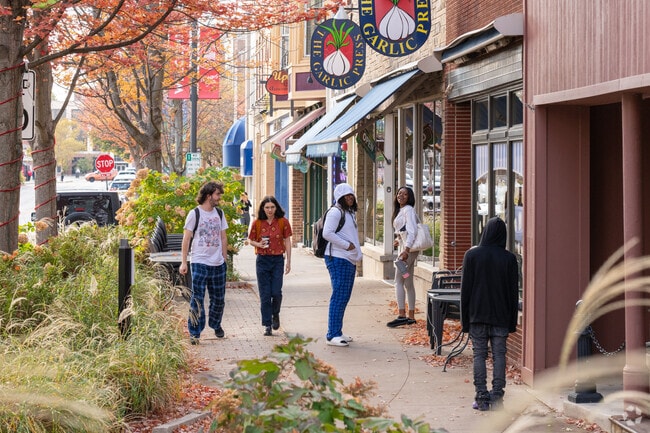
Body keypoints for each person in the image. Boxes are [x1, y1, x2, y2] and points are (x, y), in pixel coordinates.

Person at [460, 217, 519, 411]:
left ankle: (482, 397)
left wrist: (464, 320)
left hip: (477, 314)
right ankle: (497, 397)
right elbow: (512, 293)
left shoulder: (472, 256)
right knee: (499, 355)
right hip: (501, 315)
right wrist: (512, 322)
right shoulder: (509, 259)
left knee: (479, 354)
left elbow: (465, 291)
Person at [179, 181, 229, 345]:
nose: (219, 197)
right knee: (197, 299)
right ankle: (195, 332)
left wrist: (224, 256)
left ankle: (216, 324)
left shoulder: (219, 214)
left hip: (218, 263)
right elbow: (186, 239)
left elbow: (223, 236)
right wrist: (184, 262)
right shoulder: (195, 214)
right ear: (209, 196)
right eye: (217, 194)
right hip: (199, 261)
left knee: (219, 299)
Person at [322, 183, 362, 347]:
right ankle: (332, 334)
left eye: (351, 195)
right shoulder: (335, 212)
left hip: (347, 259)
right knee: (339, 296)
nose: (350, 198)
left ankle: (337, 330)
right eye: (346, 196)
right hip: (338, 258)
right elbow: (327, 233)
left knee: (343, 296)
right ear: (340, 198)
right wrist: (347, 245)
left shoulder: (348, 213)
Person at [248, 196, 292, 336]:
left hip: (278, 260)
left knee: (276, 292)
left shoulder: (282, 222)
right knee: (265, 295)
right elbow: (250, 240)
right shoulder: (257, 223)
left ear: (276, 207)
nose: (270, 210)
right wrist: (258, 244)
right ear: (263, 208)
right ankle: (267, 324)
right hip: (262, 260)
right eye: (267, 207)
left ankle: (275, 314)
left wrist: (289, 261)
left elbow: (287, 241)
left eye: (272, 207)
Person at [387, 186, 419, 327]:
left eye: (405, 194)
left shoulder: (408, 210)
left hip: (407, 253)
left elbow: (412, 231)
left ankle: (402, 315)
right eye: (399, 193)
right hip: (407, 250)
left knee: (398, 280)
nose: (401, 195)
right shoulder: (401, 210)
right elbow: (404, 232)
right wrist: (399, 240)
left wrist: (405, 250)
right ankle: (411, 316)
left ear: (409, 197)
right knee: (408, 282)